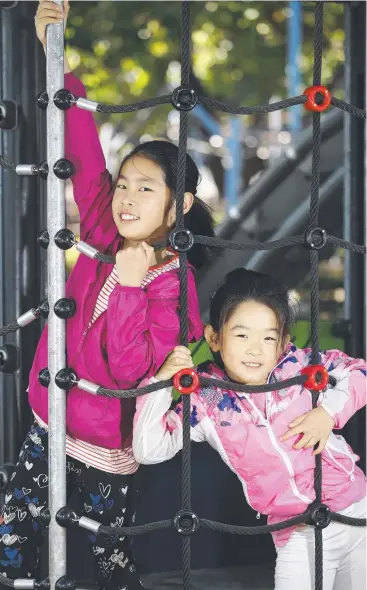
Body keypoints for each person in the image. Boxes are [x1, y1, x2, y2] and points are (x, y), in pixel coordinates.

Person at [0, 2, 214, 588]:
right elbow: (83, 152)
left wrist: (128, 283)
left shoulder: (176, 286)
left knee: (107, 559)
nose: (127, 198)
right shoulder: (98, 232)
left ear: (180, 206)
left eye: (146, 189)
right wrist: (57, 55)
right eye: (124, 185)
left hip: (106, 450)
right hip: (52, 420)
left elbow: (131, 372)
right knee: (13, 540)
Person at [133, 268, 366, 590]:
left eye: (268, 337)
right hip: (295, 531)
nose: (255, 349)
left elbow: (359, 371)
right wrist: (159, 383)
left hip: (356, 512)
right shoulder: (206, 401)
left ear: (283, 341)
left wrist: (327, 413)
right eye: (242, 335)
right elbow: (149, 449)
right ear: (215, 337)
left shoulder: (300, 367)